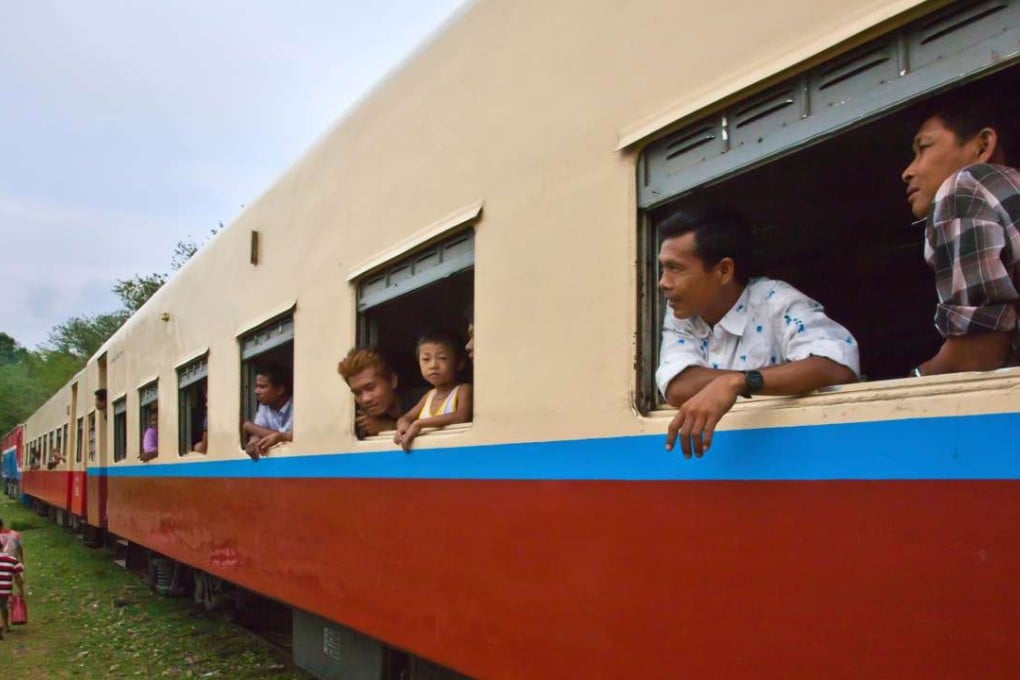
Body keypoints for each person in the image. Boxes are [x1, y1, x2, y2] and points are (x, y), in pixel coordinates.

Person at [657, 209, 860, 458]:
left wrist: (739, 382)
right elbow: (679, 385)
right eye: (662, 268)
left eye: (675, 268)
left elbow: (837, 366)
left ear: (724, 271)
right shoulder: (683, 311)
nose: (663, 282)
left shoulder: (777, 303)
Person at [901, 92, 1019, 375]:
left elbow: (977, 353)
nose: (907, 171)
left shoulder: (965, 187)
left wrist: (913, 381)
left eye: (924, 147)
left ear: (983, 146)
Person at [394, 330, 473, 452]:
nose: (433, 365)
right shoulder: (429, 396)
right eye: (426, 359)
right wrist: (403, 427)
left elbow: (460, 417)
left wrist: (419, 424)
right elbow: (405, 418)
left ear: (459, 363)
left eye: (442, 358)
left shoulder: (463, 390)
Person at [337, 348, 403, 438]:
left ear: (393, 381)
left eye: (370, 388)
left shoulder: (425, 401)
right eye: (357, 393)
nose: (365, 399)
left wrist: (388, 427)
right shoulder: (364, 421)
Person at [241, 364, 293, 461]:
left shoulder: (296, 405)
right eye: (256, 386)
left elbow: (301, 436)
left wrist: (249, 426)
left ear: (280, 390)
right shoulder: (264, 406)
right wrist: (253, 442)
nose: (256, 391)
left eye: (262, 387)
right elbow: (258, 432)